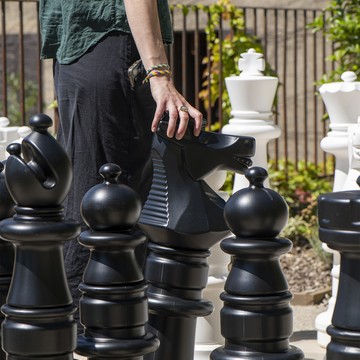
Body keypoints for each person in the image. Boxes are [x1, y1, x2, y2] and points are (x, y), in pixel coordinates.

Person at [39, 0, 203, 332]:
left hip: (79, 52)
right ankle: (99, 336)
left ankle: (86, 334)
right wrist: (158, 73)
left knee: (89, 202)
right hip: (109, 44)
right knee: (107, 210)